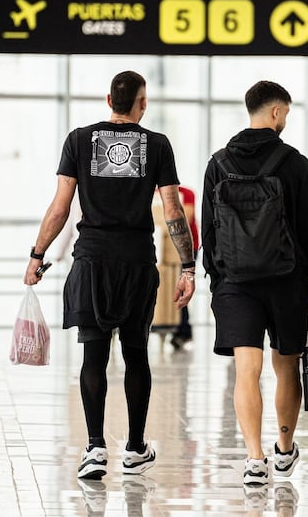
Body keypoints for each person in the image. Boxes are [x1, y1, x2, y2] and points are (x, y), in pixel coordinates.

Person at [23, 70, 196, 480]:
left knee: (94, 356)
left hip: (92, 261)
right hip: (136, 262)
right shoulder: (157, 145)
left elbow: (60, 206)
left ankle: (95, 447)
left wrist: (37, 254)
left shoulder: (79, 140)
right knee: (137, 354)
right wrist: (188, 266)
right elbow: (173, 211)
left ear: (108, 100)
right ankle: (135, 448)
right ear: (142, 103)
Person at [201, 80, 308, 486]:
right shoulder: (295, 163)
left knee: (247, 369)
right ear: (276, 112)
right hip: (286, 281)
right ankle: (283, 450)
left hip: (236, 283)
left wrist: (218, 278)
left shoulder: (218, 163)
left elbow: (208, 231)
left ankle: (253, 459)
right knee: (286, 368)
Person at [171, 185, 199, 349]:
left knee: (180, 289)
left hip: (186, 249)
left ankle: (183, 331)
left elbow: (185, 218)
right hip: (161, 247)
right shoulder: (152, 194)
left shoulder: (186, 193)